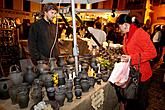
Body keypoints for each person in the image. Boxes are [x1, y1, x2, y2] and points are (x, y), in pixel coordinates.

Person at [115, 14, 157, 110]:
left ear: (125, 24)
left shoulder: (140, 33)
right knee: (133, 100)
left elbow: (153, 53)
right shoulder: (127, 34)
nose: (119, 29)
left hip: (142, 75)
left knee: (138, 103)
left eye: (119, 26)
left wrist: (131, 58)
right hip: (133, 73)